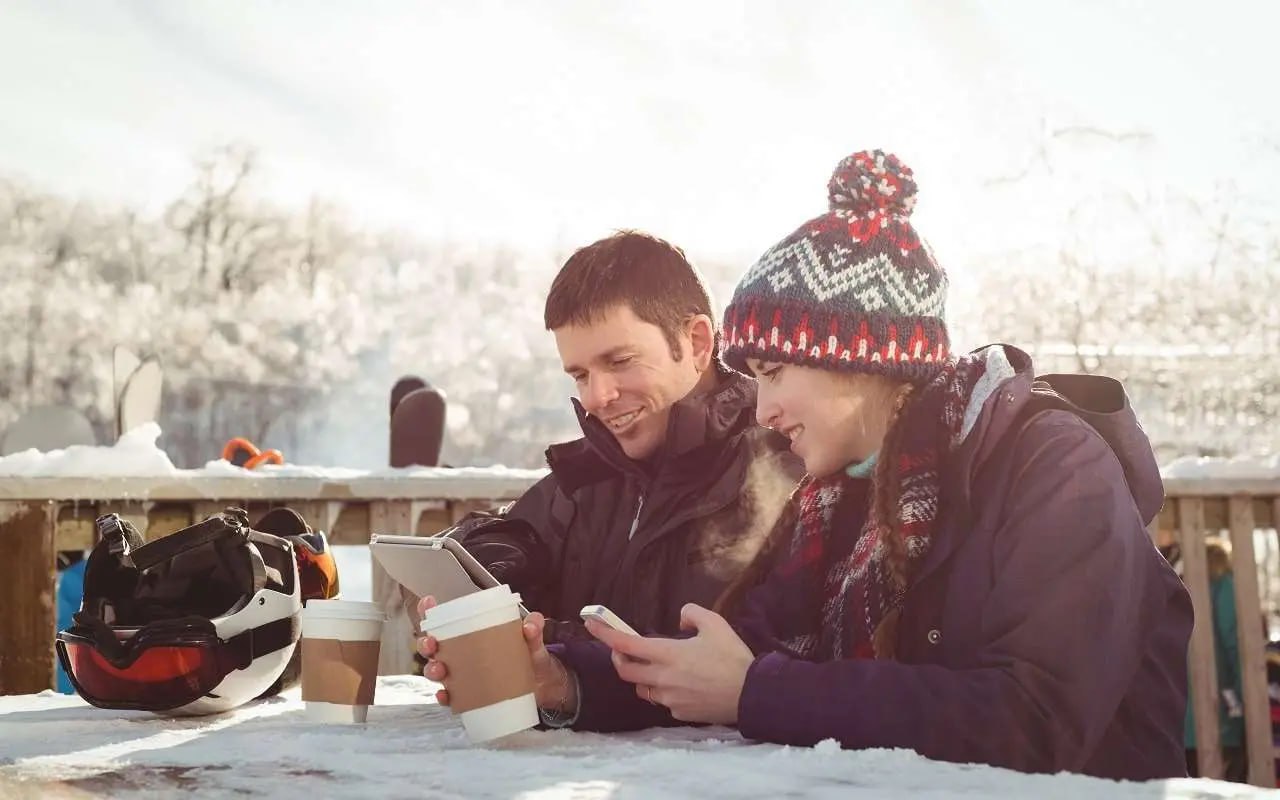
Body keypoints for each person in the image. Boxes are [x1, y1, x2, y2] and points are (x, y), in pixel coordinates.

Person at [421, 150, 1193, 780]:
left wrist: (760, 692)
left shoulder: (1049, 464)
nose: (760, 411)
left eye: (775, 375)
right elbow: (722, 665)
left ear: (859, 363)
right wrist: (567, 683)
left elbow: (1038, 719)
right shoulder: (842, 499)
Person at [419, 231, 802, 644]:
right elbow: (509, 531)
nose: (596, 397)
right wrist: (486, 562)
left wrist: (554, 654)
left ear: (696, 343)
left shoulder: (787, 475)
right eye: (580, 375)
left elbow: (729, 668)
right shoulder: (588, 477)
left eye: (620, 361)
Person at [1184, 538, 1247, 782]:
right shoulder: (1223, 585)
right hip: (1221, 714)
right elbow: (1234, 643)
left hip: (1179, 724)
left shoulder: (1176, 587)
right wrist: (1247, 697)